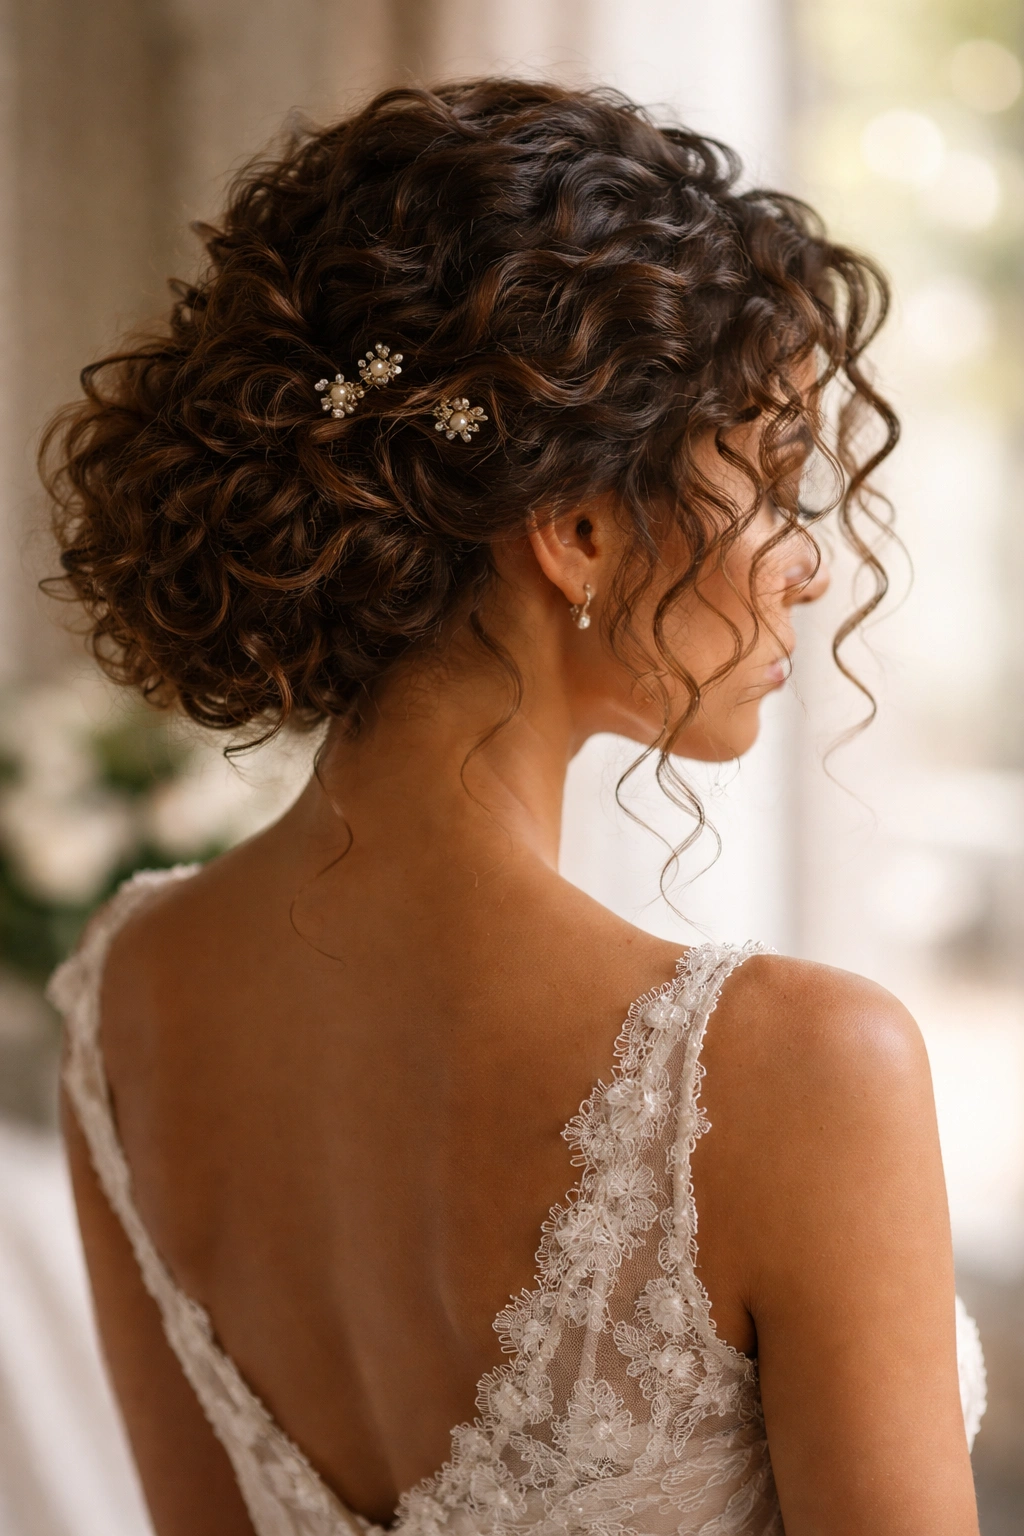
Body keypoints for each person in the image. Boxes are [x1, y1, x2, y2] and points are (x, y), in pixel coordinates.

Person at [42, 80, 985, 1536]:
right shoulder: (803, 1071)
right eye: (777, 483)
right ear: (580, 528)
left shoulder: (124, 1003)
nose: (808, 565)